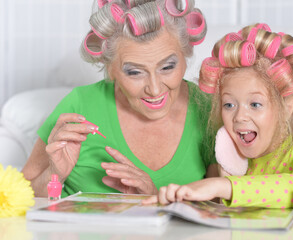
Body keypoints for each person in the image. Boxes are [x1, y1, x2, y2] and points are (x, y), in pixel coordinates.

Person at [22, 0, 218, 198]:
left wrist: (153, 197)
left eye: (167, 67)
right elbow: (19, 198)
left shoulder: (209, 109)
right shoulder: (78, 105)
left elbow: (221, 208)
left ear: (186, 55)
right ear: (110, 69)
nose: (155, 88)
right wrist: (55, 174)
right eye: (134, 72)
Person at [143, 23, 293, 208]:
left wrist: (223, 186)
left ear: (287, 107)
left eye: (255, 104)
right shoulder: (230, 157)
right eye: (229, 104)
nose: (240, 117)